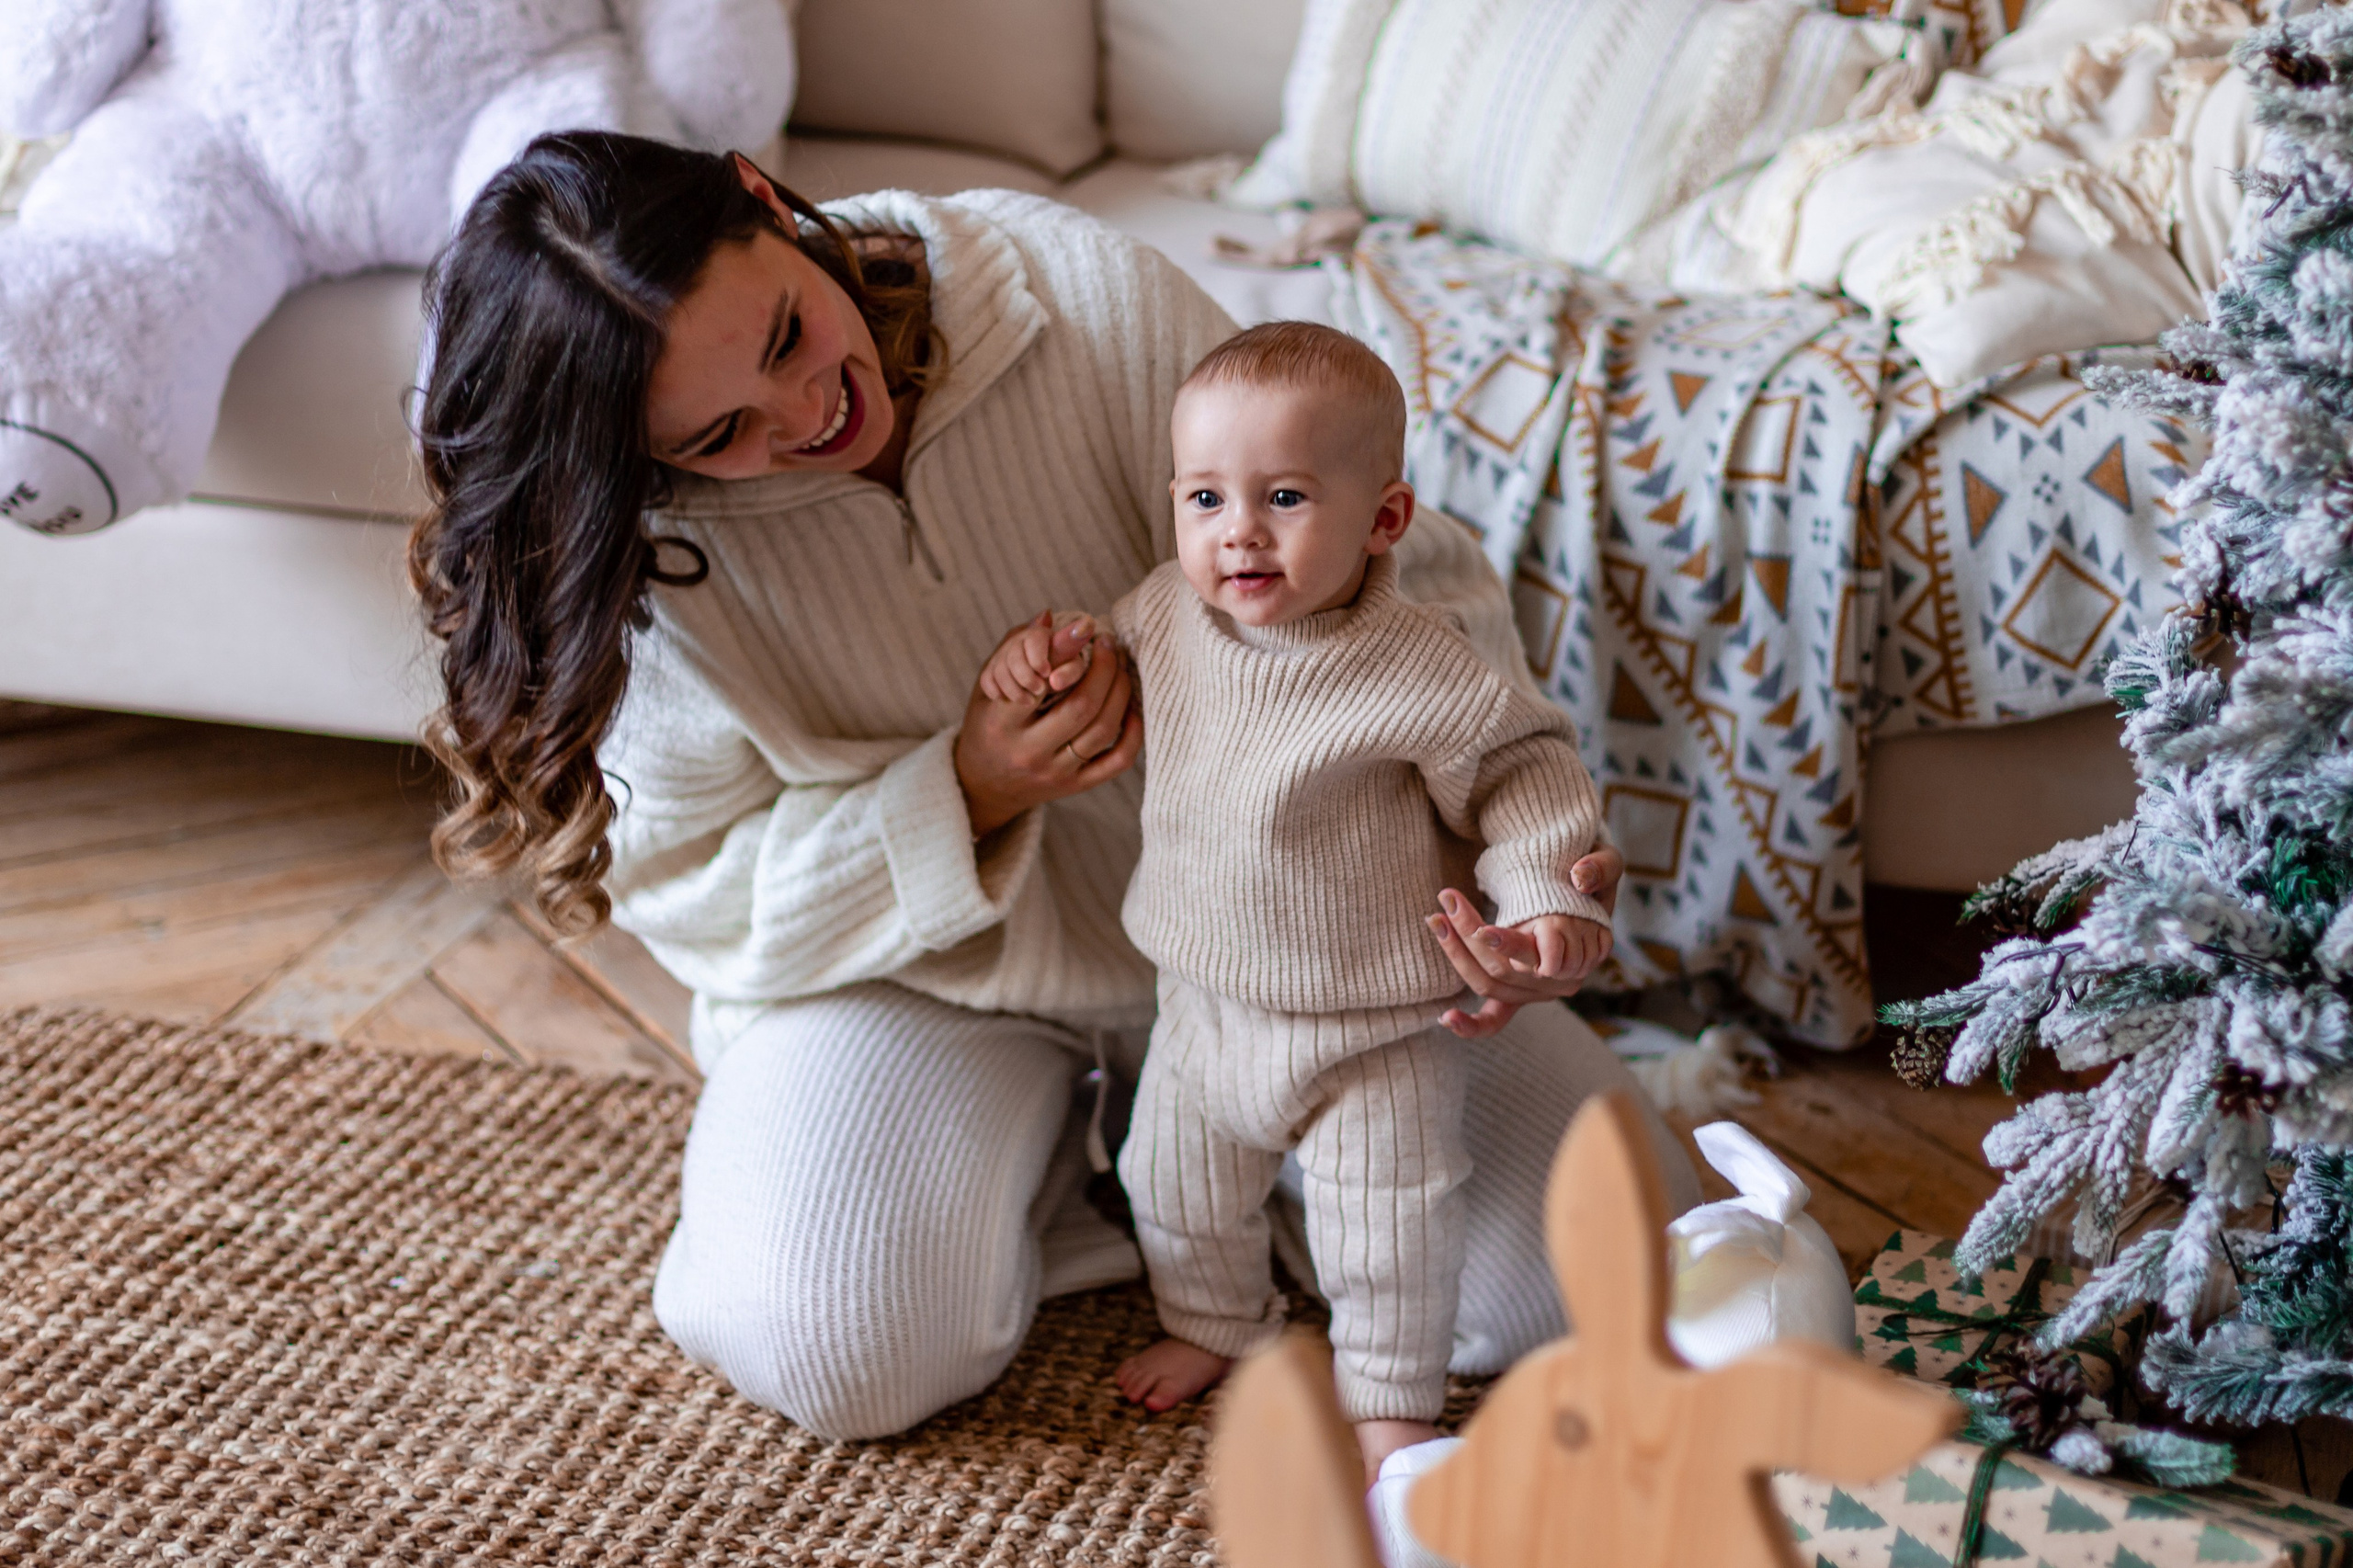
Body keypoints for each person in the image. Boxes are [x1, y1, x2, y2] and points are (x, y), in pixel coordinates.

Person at [408, 129, 1697, 1444]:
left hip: (1304, 955)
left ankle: (1172, 1180)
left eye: (790, 336)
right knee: (831, 1343)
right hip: (927, 987)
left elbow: (1406, 582)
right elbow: (696, 892)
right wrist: (962, 791)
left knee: (1599, 1276)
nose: (809, 418)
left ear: (762, 198)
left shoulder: (1070, 297)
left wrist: (1503, 875)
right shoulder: (636, 546)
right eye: (722, 431)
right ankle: (1110, 1181)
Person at [980, 320, 1618, 1478]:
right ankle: (1213, 1323)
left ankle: (1390, 1401)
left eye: (1282, 496)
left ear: (1382, 520)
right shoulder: (1166, 617)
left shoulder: (1419, 667)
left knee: (1387, 1228)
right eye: (1206, 499)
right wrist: (1047, 664)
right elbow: (1101, 663)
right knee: (1171, 1186)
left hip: (1376, 1025)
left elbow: (1529, 775)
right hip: (1206, 1000)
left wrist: (1540, 900)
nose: (1240, 534)